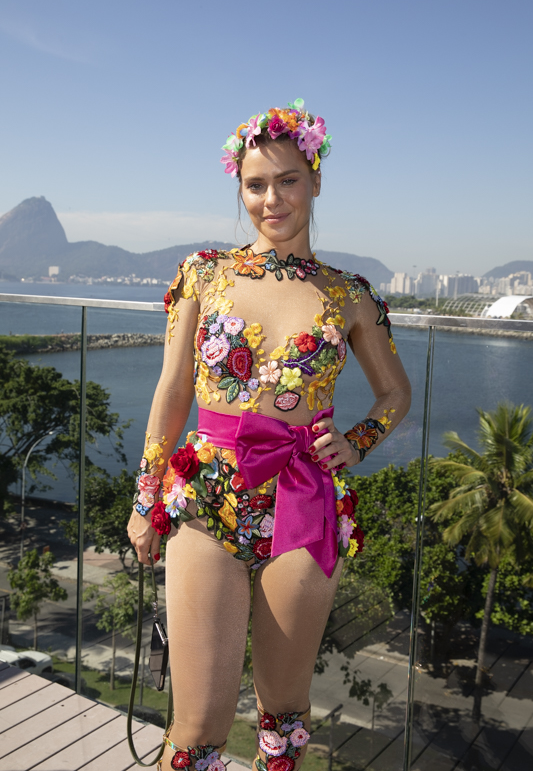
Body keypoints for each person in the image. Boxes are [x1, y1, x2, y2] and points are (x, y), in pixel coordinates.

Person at [127, 99, 411, 771]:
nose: (271, 199)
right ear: (240, 189)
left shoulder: (350, 294)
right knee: (197, 723)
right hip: (207, 499)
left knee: (283, 711)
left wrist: (357, 441)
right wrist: (146, 499)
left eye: (287, 180)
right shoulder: (204, 273)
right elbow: (171, 392)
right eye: (255, 185)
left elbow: (395, 393)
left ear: (315, 181)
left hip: (305, 502)